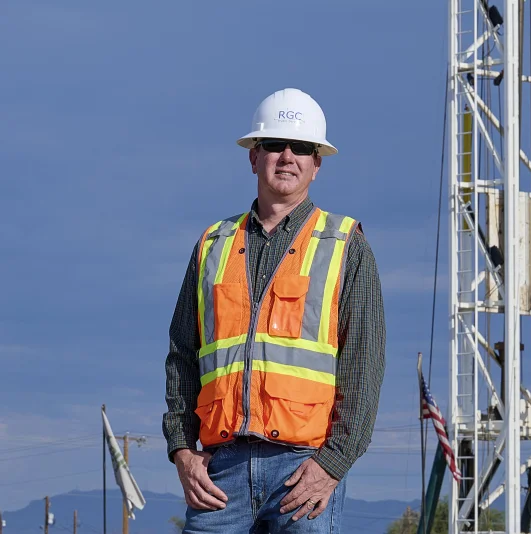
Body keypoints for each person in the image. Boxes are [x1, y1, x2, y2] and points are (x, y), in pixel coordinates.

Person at [162, 88, 386, 533]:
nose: (288, 156)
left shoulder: (345, 245)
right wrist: (182, 449)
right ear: (253, 157)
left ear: (316, 163)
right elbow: (182, 356)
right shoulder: (212, 244)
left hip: (303, 473)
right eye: (275, 145)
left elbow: (364, 364)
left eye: (301, 147)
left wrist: (333, 464)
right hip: (219, 473)